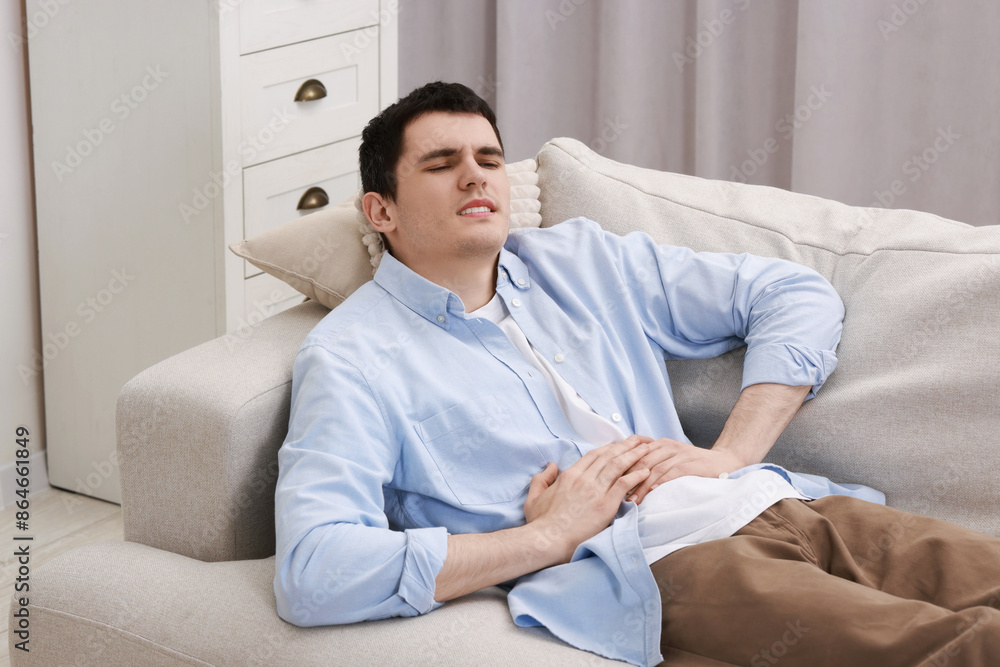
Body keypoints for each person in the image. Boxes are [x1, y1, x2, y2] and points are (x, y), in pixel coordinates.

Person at [273, 81, 1000, 666]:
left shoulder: (580, 260)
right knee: (961, 650)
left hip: (782, 502)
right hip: (666, 563)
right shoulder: (352, 356)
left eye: (489, 159)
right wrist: (547, 539)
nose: (475, 175)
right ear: (381, 210)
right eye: (441, 164)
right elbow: (314, 570)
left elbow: (794, 293)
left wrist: (732, 454)